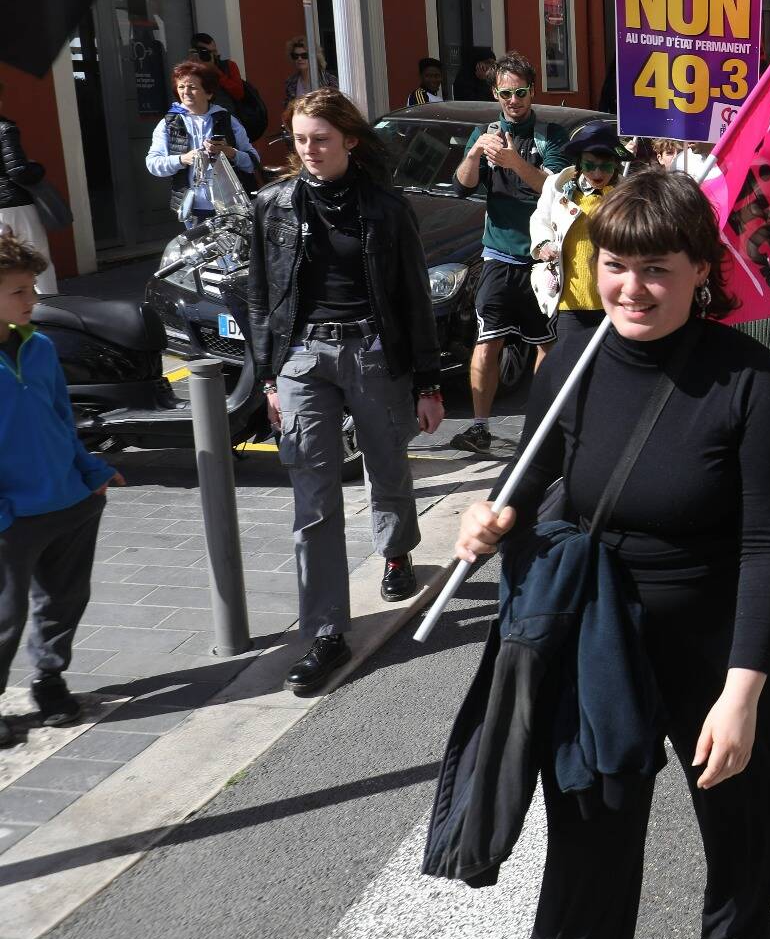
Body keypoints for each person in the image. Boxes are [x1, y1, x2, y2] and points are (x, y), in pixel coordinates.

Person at [455, 169, 770, 939]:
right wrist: (492, 510)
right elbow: (533, 471)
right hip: (599, 641)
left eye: (657, 269)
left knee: (742, 810)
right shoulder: (572, 358)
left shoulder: (750, 381)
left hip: (720, 642)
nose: (632, 287)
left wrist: (742, 694)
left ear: (701, 271)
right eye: (617, 264)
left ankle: (735, 929)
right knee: (586, 860)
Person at [247, 89, 445, 694]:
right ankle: (326, 632)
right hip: (303, 357)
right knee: (313, 496)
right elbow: (261, 297)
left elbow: (414, 297)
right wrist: (269, 377)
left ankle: (396, 549)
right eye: (300, 139)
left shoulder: (385, 208)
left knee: (386, 464)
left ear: (350, 141)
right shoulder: (272, 206)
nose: (308, 150)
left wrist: (428, 382)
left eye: (321, 139)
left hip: (373, 352)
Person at [0, 235, 123, 748]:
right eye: (18, 291)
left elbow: (61, 422)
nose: (31, 299)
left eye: (32, 288)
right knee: (4, 616)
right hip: (11, 517)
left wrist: (92, 473)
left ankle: (49, 680)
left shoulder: (40, 347)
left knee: (64, 599)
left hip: (70, 502)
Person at [450, 52, 568, 454]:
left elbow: (552, 188)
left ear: (532, 92)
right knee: (487, 341)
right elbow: (463, 186)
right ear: (495, 94)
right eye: (506, 94)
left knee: (545, 344)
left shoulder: (550, 136)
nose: (513, 101)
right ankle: (479, 428)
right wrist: (473, 154)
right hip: (498, 256)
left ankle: (539, 426)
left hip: (540, 259)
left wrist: (514, 161)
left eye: (520, 93)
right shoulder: (486, 133)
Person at [529, 118, 625, 343]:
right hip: (571, 300)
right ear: (580, 163)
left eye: (606, 166)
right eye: (590, 165)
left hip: (613, 302)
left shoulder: (626, 194)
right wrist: (544, 244)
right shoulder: (557, 186)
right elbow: (540, 219)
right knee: (570, 360)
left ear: (615, 164)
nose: (598, 172)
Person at [145, 61, 257, 228]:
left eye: (192, 87)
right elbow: (153, 164)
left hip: (230, 208)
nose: (185, 92)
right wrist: (183, 159)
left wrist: (229, 152)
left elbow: (253, 161)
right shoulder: (169, 123)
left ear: (209, 93)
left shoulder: (227, 120)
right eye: (181, 87)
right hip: (193, 210)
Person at [0, 81, 57, 295]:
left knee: (6, 265)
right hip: (16, 204)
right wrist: (37, 168)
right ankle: (50, 308)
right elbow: (18, 171)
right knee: (38, 260)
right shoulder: (5, 129)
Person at [283, 36, 336, 103]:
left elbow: (337, 105)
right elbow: (289, 106)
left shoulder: (329, 80)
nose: (299, 59)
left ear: (315, 57)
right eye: (295, 56)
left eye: (304, 55)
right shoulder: (291, 83)